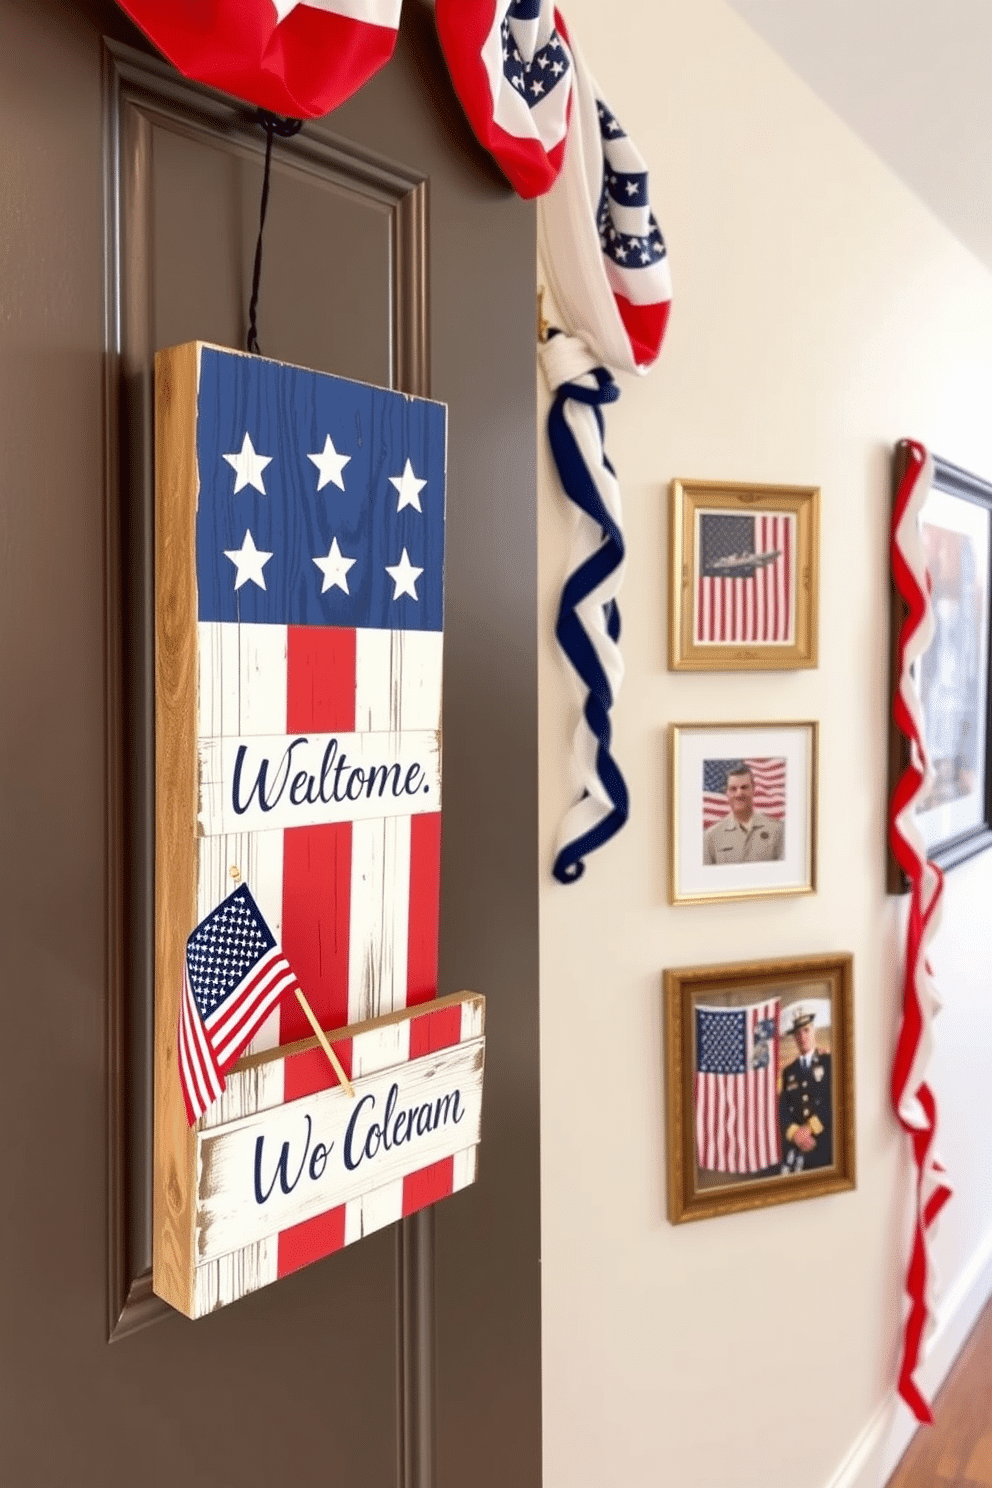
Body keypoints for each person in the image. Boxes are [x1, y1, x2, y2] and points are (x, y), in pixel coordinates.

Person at [779, 1004, 833, 1172]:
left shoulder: (829, 1062)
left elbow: (832, 1102)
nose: (802, 1037)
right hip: (795, 1148)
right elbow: (783, 1109)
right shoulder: (789, 1071)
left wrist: (809, 1129)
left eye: (806, 1030)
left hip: (825, 1146)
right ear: (794, 1038)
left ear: (814, 1031)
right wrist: (794, 1133)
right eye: (797, 1033)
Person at [703, 763, 784, 864]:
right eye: (733, 789)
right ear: (726, 793)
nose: (739, 793)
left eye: (744, 787)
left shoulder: (777, 830)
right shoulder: (711, 836)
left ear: (753, 789)